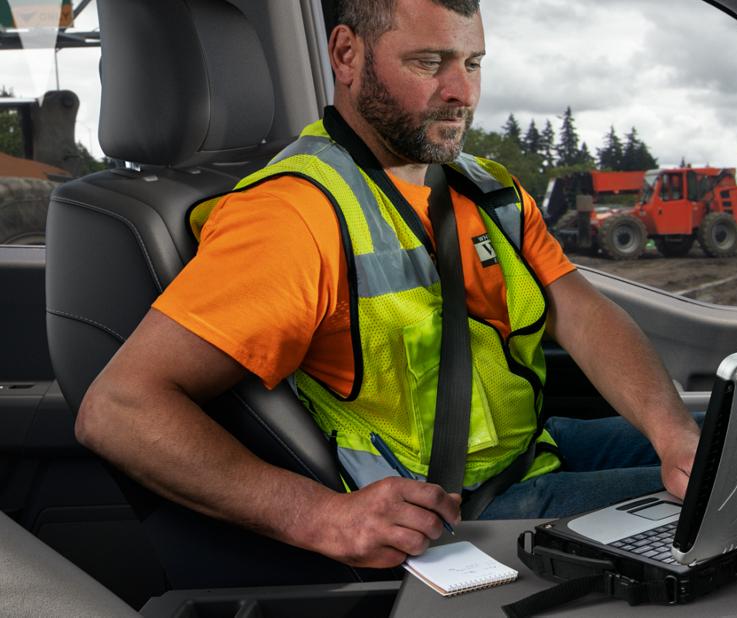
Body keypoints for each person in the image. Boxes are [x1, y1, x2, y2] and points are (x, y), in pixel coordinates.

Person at [74, 0, 700, 570]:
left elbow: (583, 313)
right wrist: (316, 515)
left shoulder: (486, 190)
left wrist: (672, 432)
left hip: (531, 451)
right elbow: (119, 409)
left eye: (473, 63)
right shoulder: (295, 212)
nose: (461, 92)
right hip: (462, 520)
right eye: (429, 62)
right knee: (734, 508)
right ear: (346, 55)